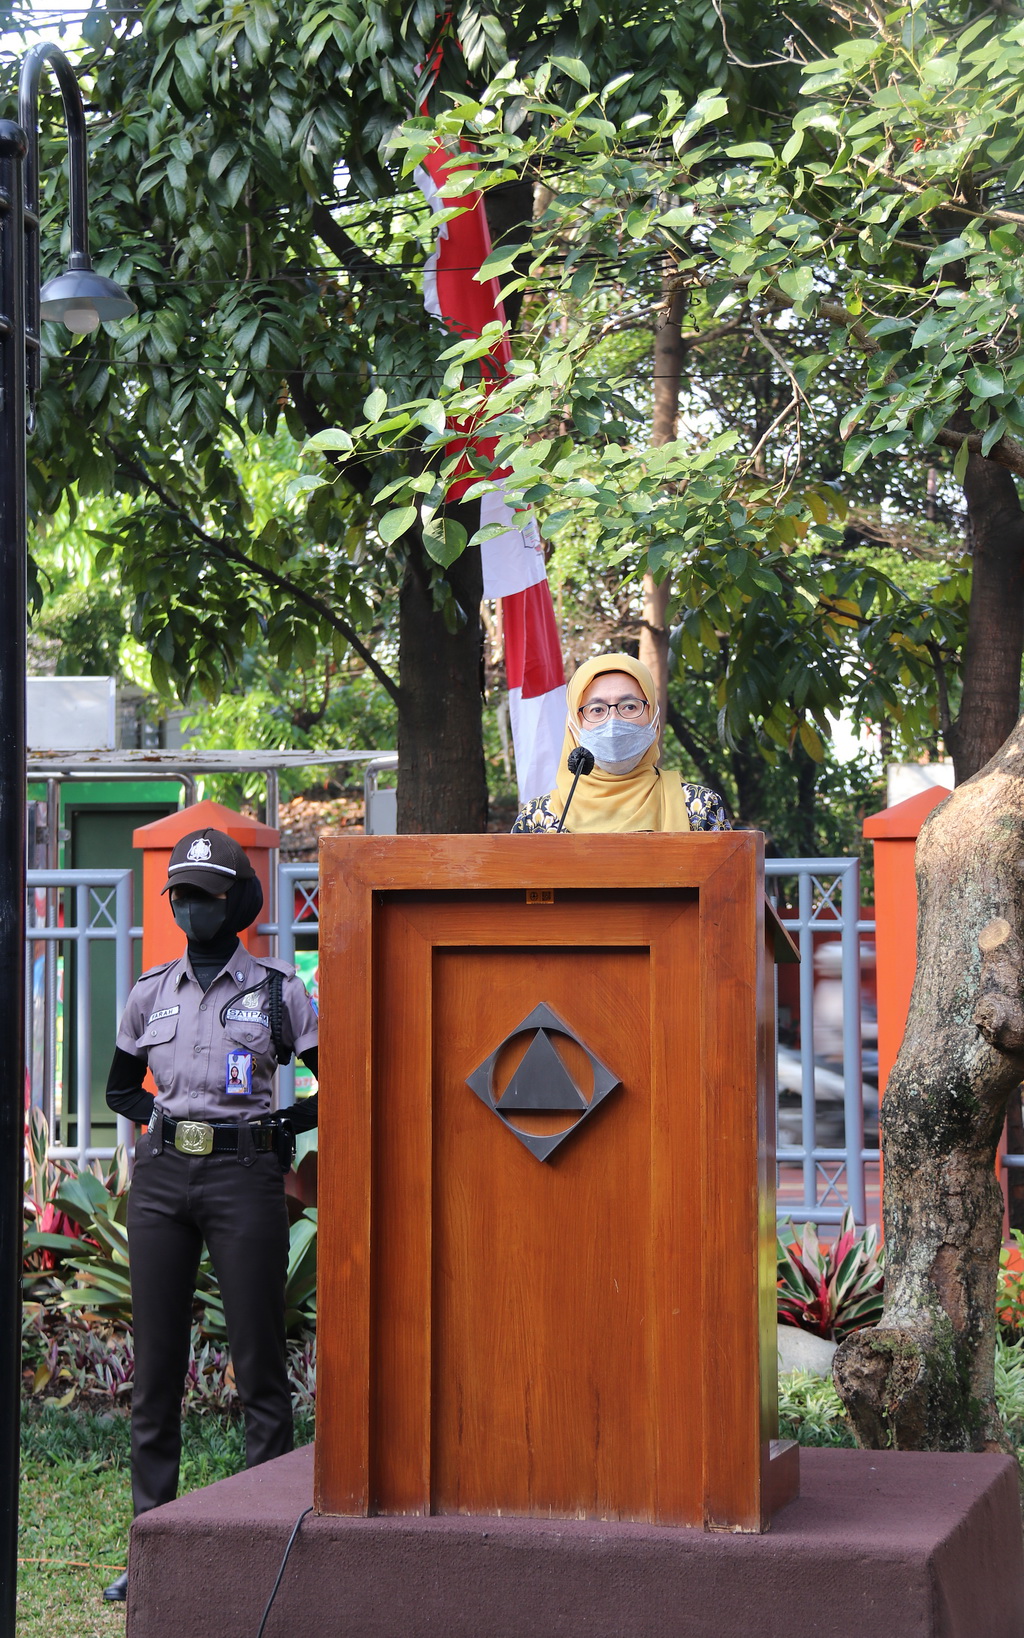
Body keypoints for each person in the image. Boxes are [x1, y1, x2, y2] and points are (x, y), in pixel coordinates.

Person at [100, 827, 320, 1603]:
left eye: (203, 895)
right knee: (156, 1369)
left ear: (237, 901)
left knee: (259, 1362)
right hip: (164, 1182)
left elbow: (331, 1080)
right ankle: (150, 1549)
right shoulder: (149, 991)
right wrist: (163, 1123)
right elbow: (120, 1090)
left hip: (244, 1178)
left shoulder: (278, 991)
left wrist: (281, 1128)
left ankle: (268, 1553)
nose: (189, 907)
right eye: (181, 895)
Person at [512, 653, 730, 833]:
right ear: (574, 725)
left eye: (629, 706)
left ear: (653, 717)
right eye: (597, 710)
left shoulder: (698, 808)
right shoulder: (538, 818)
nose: (613, 721)